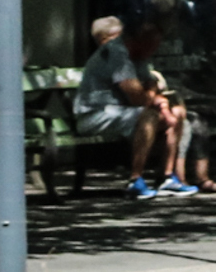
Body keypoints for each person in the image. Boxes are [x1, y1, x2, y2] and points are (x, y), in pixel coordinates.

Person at [75, 15, 191, 197]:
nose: (155, 49)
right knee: (149, 116)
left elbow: (149, 84)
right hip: (96, 114)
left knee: (177, 112)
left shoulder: (139, 55)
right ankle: (135, 180)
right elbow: (138, 98)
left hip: (122, 112)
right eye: (152, 44)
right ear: (137, 40)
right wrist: (155, 98)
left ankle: (166, 178)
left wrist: (159, 102)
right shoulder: (116, 53)